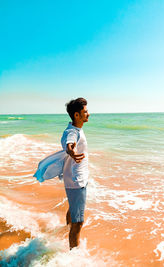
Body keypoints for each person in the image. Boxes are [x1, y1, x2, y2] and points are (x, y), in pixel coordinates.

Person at [61, 97, 90, 249]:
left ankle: (66, 229)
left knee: (73, 210)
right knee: (78, 223)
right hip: (77, 181)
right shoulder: (72, 132)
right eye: (85, 112)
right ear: (76, 115)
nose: (88, 114)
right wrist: (71, 151)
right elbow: (69, 144)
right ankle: (74, 257)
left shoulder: (74, 128)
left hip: (74, 179)